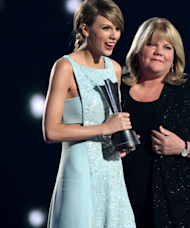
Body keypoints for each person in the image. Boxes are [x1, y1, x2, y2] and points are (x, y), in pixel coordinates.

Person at [121, 17, 190, 228]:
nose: (158, 51)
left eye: (167, 47)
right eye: (151, 44)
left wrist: (183, 147)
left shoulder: (189, 91)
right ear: (138, 50)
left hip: (174, 211)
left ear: (174, 56)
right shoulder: (118, 90)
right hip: (121, 205)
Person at [42, 0, 136, 227]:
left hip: (112, 172)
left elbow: (111, 121)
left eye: (117, 28)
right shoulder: (65, 67)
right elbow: (50, 131)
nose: (114, 35)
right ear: (85, 29)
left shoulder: (113, 68)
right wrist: (105, 129)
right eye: (106, 28)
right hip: (79, 172)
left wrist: (118, 142)